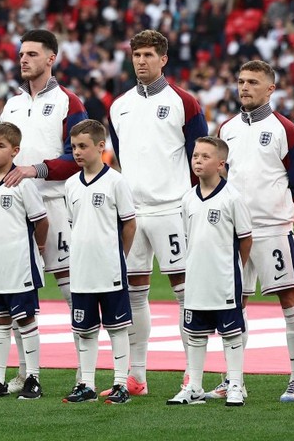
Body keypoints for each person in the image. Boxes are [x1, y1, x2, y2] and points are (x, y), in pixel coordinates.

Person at [107, 29, 207, 395]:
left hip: (172, 209)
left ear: (164, 58)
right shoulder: (118, 106)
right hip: (134, 212)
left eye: (149, 55)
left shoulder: (185, 102)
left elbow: (202, 156)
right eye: (137, 55)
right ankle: (136, 376)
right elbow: (122, 155)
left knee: (185, 293)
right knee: (134, 295)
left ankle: (191, 374)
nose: (142, 61)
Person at [0, 30, 87, 392]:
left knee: (72, 292)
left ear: (51, 59)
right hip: (17, 211)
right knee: (19, 295)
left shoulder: (69, 102)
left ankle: (86, 369)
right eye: (21, 54)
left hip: (56, 206)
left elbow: (78, 156)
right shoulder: (12, 105)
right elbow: (3, 151)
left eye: (32, 54)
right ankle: (25, 371)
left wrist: (35, 169)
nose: (23, 60)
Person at [216, 59, 294, 402]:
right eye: (241, 81)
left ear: (270, 88)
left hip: (271, 230)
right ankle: (233, 379)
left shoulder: (287, 129)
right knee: (234, 302)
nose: (245, 87)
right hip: (235, 231)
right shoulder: (226, 129)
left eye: (253, 82)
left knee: (288, 298)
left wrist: (277, 210)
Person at [167, 136, 252, 407]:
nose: (198, 161)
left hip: (224, 279)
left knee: (231, 334)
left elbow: (246, 239)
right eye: (195, 156)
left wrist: (233, 266)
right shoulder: (188, 199)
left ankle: (236, 385)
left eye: (205, 156)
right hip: (196, 279)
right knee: (195, 334)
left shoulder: (233, 198)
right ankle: (193, 386)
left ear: (220, 164)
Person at [0, 122, 48, 400]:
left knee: (26, 320)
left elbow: (41, 221)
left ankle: (33, 378)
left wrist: (38, 248)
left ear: (15, 151)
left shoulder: (22, 183)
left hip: (20, 265)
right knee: (1, 321)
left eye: (1, 146)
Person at [62, 119, 136, 406]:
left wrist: (118, 256)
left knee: (117, 327)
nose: (77, 152)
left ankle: (120, 384)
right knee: (85, 329)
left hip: (109, 268)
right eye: (74, 147)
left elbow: (129, 225)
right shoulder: (70, 185)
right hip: (81, 268)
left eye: (83, 146)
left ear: (100, 146)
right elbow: (74, 224)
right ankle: (87, 384)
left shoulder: (116, 181)